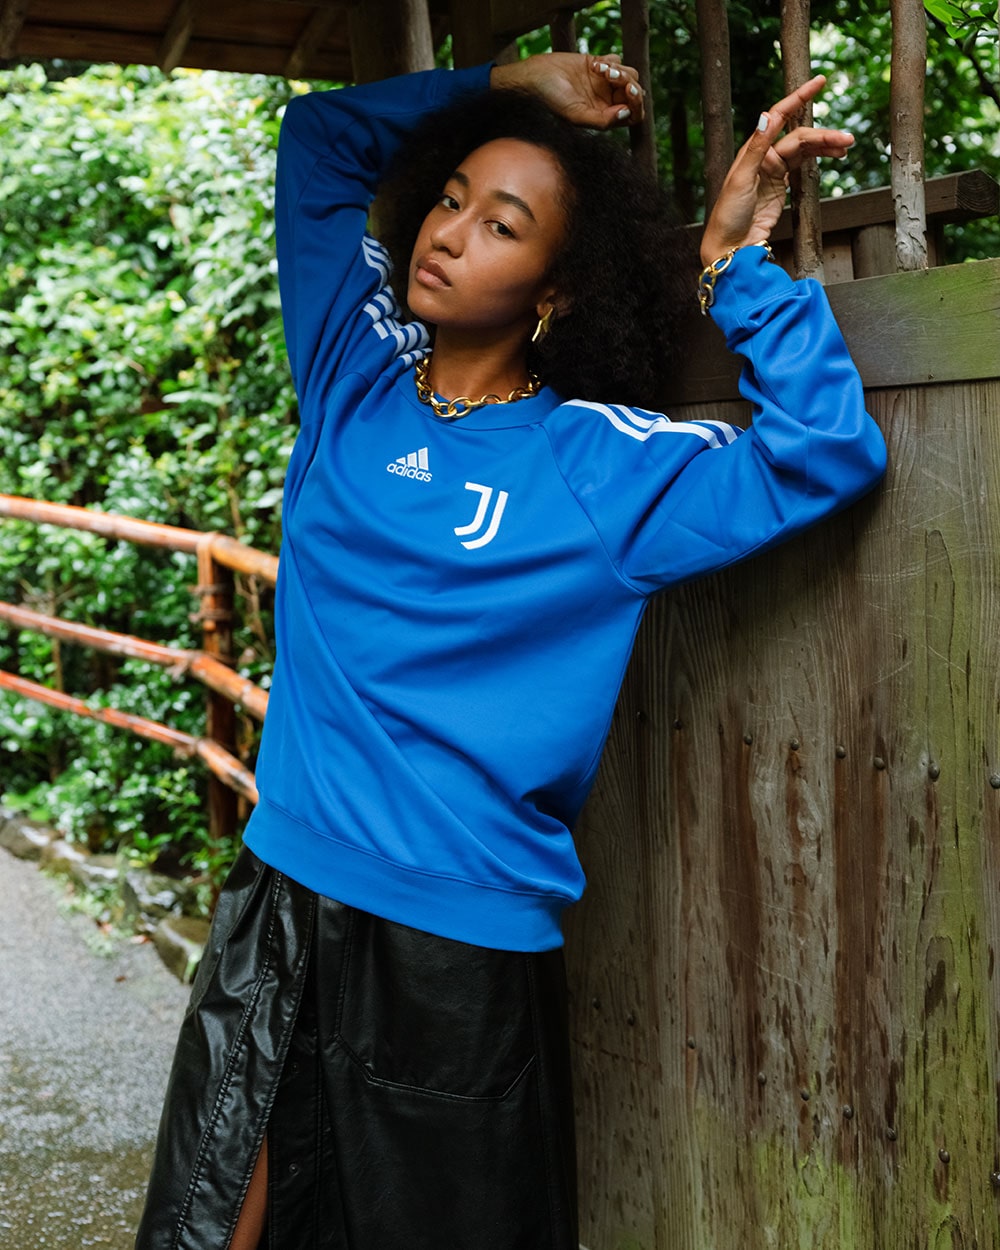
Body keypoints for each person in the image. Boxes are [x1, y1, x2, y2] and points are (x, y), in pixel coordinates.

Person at [136, 49, 886, 1250]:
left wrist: (732, 265)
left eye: (502, 224)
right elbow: (319, 143)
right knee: (210, 1225)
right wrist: (509, 86)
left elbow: (824, 452)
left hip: (458, 953)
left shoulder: (599, 465)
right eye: (450, 199)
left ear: (554, 289)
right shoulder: (351, 371)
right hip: (284, 897)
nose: (448, 233)